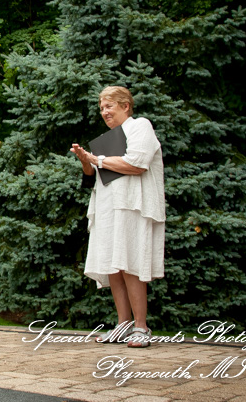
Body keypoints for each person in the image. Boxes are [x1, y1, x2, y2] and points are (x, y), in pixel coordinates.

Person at [70, 86, 165, 347]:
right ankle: (123, 324)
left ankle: (141, 327)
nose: (104, 112)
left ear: (125, 106)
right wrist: (85, 161)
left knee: (130, 262)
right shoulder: (110, 139)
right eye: (101, 108)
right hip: (109, 207)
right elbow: (93, 177)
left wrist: (97, 159)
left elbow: (137, 164)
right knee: (114, 264)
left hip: (133, 206)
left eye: (109, 106)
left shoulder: (140, 126)